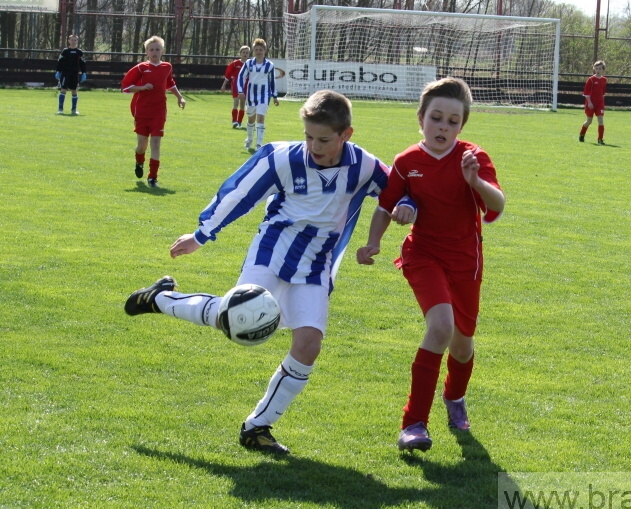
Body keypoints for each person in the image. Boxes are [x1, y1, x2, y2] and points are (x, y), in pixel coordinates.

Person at [124, 90, 405, 456]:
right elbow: (239, 194)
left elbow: (397, 190)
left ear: (346, 135)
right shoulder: (283, 157)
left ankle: (257, 427)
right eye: (308, 136)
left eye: (323, 139)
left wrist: (406, 207)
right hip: (272, 250)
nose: (313, 146)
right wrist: (201, 234)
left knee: (309, 345)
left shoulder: (364, 166)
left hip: (316, 264)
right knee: (236, 321)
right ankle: (160, 298)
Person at [356, 77, 506, 452]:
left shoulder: (474, 157)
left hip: (466, 262)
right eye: (436, 118)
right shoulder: (407, 162)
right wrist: (373, 242)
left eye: (453, 121)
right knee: (440, 328)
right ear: (421, 118)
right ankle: (414, 424)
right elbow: (386, 206)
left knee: (462, 346)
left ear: (462, 125)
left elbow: (497, 205)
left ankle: (454, 397)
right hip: (422, 255)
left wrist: (475, 181)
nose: (444, 127)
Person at [121, 36, 186, 188]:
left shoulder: (167, 67)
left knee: (156, 142)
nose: (154, 52)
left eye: (157, 49)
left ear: (162, 51)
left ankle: (152, 178)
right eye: (151, 50)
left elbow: (170, 83)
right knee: (142, 146)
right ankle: (139, 161)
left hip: (159, 110)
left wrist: (180, 97)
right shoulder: (140, 68)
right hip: (142, 111)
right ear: (147, 52)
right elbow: (126, 86)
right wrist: (142, 88)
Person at [237, 38, 279, 152]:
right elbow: (241, 77)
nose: (258, 52)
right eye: (256, 49)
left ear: (264, 50)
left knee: (260, 118)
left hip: (264, 95)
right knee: (251, 120)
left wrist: (275, 96)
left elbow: (272, 81)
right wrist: (240, 91)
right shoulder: (249, 63)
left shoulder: (269, 65)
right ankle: (249, 139)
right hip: (251, 96)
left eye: (261, 49)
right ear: (253, 51)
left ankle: (259, 144)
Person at [55, 34, 87, 115]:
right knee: (63, 89)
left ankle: (74, 109)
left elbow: (83, 63)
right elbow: (60, 62)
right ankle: (60, 109)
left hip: (74, 74)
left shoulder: (79, 52)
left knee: (74, 91)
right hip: (65, 73)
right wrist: (58, 71)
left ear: (77, 41)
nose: (73, 42)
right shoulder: (65, 51)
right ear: (69, 41)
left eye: (75, 40)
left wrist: (84, 73)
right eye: (72, 40)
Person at [222, 45, 251, 129]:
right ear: (240, 53)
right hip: (236, 86)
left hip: (246, 87)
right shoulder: (235, 64)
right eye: (243, 52)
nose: (245, 54)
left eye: (247, 52)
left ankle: (239, 122)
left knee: (242, 104)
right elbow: (228, 75)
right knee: (236, 102)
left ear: (249, 54)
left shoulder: (250, 64)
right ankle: (234, 121)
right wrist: (224, 85)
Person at [579, 60, 607, 144]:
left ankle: (600, 139)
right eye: (596, 68)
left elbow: (603, 92)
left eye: (600, 69)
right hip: (590, 103)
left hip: (599, 104)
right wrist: (589, 102)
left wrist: (602, 103)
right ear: (594, 69)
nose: (598, 70)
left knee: (601, 121)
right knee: (589, 121)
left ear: (603, 69)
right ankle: (582, 134)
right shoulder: (591, 79)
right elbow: (586, 92)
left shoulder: (604, 80)